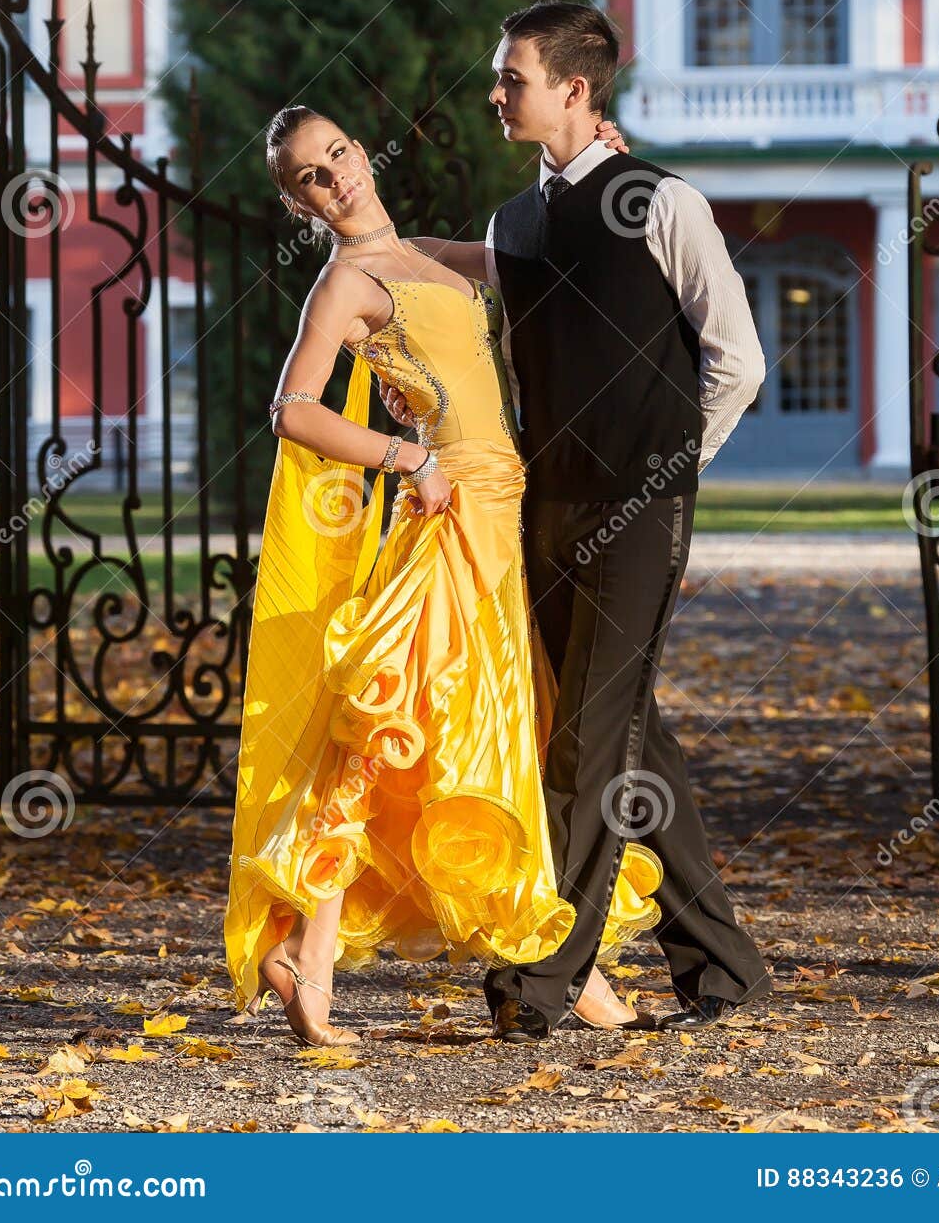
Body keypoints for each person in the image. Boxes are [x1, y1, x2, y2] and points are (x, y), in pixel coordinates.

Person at [223, 104, 661, 1047]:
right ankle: (314, 958)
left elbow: (540, 256)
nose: (335, 175)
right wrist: (405, 458)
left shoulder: (422, 252)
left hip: (507, 509)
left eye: (338, 152)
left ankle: (561, 955)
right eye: (309, 175)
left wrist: (592, 170)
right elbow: (293, 412)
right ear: (299, 201)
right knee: (392, 729)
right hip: (451, 513)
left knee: (521, 731)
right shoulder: (345, 282)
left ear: (358, 153)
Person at [382, 2, 774, 1044]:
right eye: (498, 77)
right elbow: (505, 364)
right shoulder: (515, 225)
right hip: (542, 510)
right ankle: (725, 966)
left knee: (586, 744)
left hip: (637, 514)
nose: (495, 94)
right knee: (626, 735)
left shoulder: (662, 200)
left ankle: (534, 980)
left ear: (575, 88)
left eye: (512, 77)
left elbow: (739, 359)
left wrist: (669, 473)